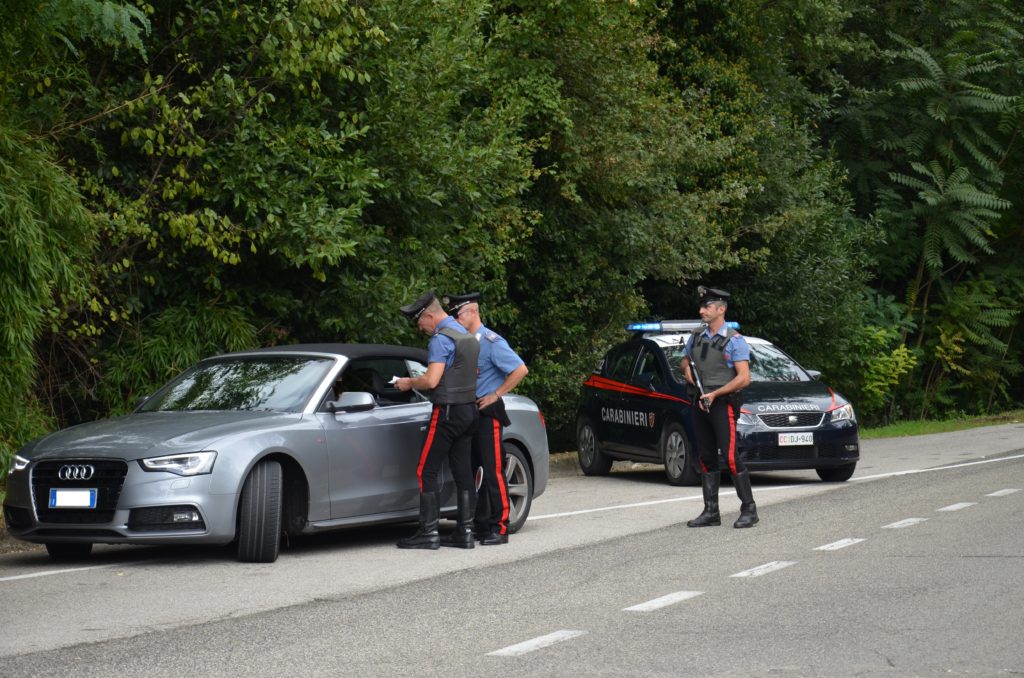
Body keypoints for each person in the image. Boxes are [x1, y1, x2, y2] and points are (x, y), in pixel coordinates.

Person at [395, 291, 481, 549]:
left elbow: (432, 380)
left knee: (426, 470)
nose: (420, 328)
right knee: (462, 470)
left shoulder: (440, 340)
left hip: (447, 412)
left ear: (429, 316)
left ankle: (428, 533)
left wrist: (409, 382)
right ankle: (465, 532)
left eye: (419, 322)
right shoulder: (466, 336)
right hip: (469, 410)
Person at [444, 292, 529, 545]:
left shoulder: (491, 341)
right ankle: (479, 523)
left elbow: (520, 369)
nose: (456, 321)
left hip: (485, 414)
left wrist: (496, 393)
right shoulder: (463, 342)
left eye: (458, 315)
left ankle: (500, 527)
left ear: (472, 312)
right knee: (470, 470)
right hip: (466, 412)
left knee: (493, 470)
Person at [679, 286, 758, 528]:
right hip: (700, 403)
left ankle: (749, 509)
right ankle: (711, 511)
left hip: (723, 405)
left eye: (707, 307)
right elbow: (684, 362)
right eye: (702, 306)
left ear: (721, 310)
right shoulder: (695, 337)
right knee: (706, 457)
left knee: (731, 457)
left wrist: (715, 393)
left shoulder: (735, 340)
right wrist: (690, 377)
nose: (701, 310)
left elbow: (744, 378)